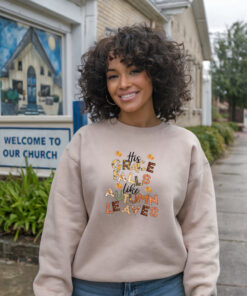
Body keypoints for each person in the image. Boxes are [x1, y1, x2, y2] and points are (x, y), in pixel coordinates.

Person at [33, 24, 220, 296]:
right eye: (113, 75)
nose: (123, 84)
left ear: (156, 74)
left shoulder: (185, 145)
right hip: (92, 288)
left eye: (134, 71)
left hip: (165, 287)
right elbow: (61, 228)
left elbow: (201, 231)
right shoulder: (85, 142)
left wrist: (202, 290)